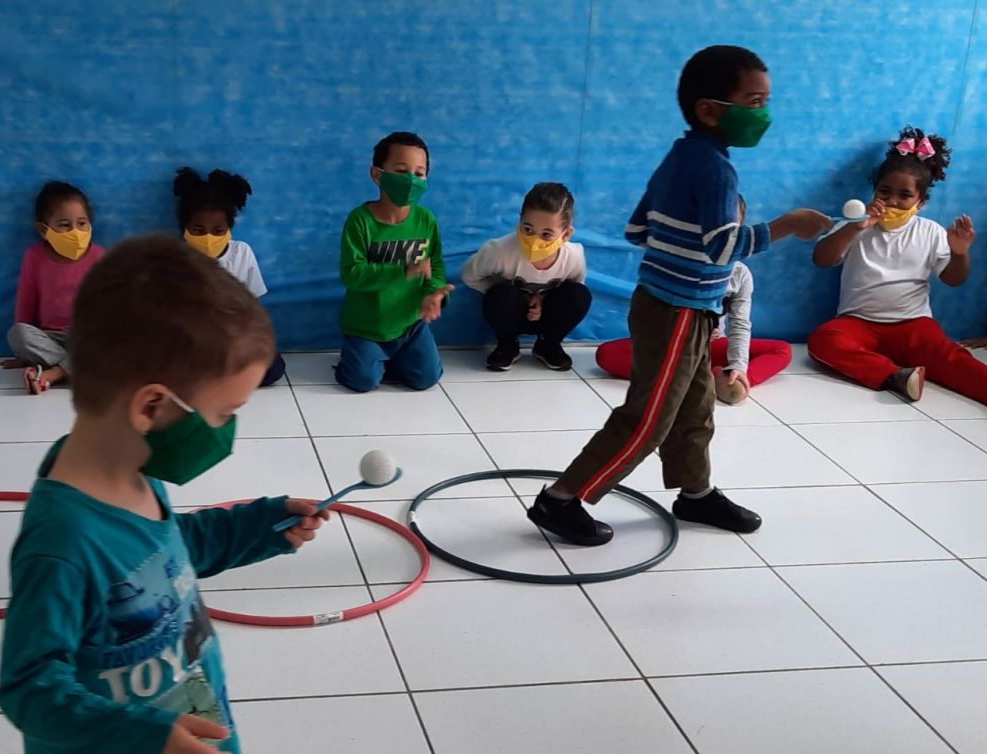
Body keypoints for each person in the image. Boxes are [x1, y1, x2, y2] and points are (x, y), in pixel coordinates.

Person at [0, 235, 328, 754]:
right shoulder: (63, 543)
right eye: (224, 414)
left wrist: (257, 526)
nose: (227, 431)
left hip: (194, 750)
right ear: (151, 406)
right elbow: (29, 687)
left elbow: (168, 551)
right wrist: (139, 746)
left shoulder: (131, 471)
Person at [526, 45, 830, 546]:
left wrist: (680, 243)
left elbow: (636, 229)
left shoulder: (681, 155)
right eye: (754, 103)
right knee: (648, 419)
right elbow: (722, 247)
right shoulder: (717, 170)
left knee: (695, 407)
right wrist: (787, 225)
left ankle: (696, 493)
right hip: (678, 310)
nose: (764, 114)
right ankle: (560, 499)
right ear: (710, 110)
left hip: (672, 304)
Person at [809, 126, 982, 403]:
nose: (892, 201)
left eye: (904, 196)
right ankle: (896, 376)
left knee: (951, 357)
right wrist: (854, 227)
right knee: (823, 341)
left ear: (920, 202)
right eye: (884, 192)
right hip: (858, 323)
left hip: (913, 324)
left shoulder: (930, 231)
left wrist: (959, 253)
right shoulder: (855, 225)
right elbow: (822, 259)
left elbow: (953, 279)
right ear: (874, 192)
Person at [595, 196, 792, 404]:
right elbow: (648, 317)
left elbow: (740, 324)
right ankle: (691, 377)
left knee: (782, 350)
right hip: (670, 349)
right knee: (608, 354)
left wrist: (738, 366)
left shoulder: (740, 274)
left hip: (711, 347)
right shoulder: (672, 264)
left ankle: (732, 381)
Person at [336, 131, 453, 392]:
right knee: (362, 381)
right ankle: (363, 358)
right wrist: (401, 270)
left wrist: (434, 294)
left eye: (419, 173)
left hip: (411, 325)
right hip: (367, 326)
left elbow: (433, 267)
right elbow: (351, 274)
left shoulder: (426, 220)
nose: (411, 180)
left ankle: (392, 359)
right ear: (377, 174)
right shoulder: (360, 221)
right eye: (401, 171)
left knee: (427, 378)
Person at [173, 166, 286, 387]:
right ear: (185, 228)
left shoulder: (241, 253)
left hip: (233, 336)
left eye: (217, 231)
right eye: (198, 230)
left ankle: (221, 372)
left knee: (273, 368)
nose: (208, 238)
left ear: (228, 228)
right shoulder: (175, 257)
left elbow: (253, 305)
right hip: (193, 339)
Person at [461, 182, 591, 371]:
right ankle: (507, 345)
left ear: (565, 234)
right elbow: (469, 275)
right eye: (528, 229)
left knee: (580, 294)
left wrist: (542, 300)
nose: (534, 240)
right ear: (520, 221)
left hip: (548, 316)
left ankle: (548, 344)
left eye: (546, 234)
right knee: (501, 294)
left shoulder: (573, 256)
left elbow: (573, 291)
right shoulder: (499, 251)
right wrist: (517, 296)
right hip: (511, 314)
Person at [3, 181, 105, 394]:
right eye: (65, 225)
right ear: (43, 230)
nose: (75, 232)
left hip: (88, 336)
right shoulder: (34, 257)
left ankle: (56, 373)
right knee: (17, 333)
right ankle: (75, 368)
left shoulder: (99, 256)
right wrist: (23, 355)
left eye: (82, 223)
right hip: (51, 338)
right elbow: (26, 302)